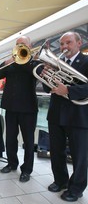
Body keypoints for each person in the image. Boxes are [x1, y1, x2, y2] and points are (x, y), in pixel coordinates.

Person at [41, 32, 88, 202]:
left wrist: (69, 91)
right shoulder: (57, 63)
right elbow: (47, 89)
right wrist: (47, 74)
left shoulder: (86, 61)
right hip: (56, 114)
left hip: (78, 116)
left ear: (79, 42)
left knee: (79, 155)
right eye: (61, 44)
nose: (64, 47)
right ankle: (60, 181)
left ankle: (76, 189)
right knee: (56, 152)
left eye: (68, 42)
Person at [0, 36, 38, 182]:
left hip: (28, 108)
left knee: (28, 141)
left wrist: (22, 60)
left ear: (29, 46)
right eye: (17, 44)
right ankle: (12, 163)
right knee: (10, 138)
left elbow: (34, 73)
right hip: (11, 107)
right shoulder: (10, 63)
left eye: (23, 44)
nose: (20, 46)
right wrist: (7, 62)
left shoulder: (34, 62)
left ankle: (26, 170)